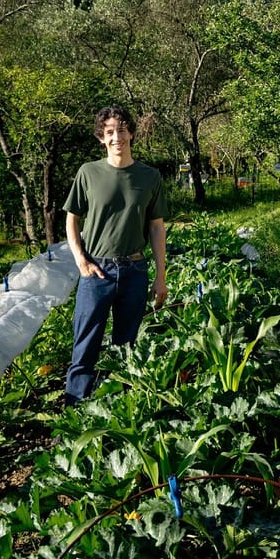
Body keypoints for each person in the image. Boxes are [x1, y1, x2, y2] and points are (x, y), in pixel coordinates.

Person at [63, 105, 168, 406]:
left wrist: (160, 276)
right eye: (109, 132)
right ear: (101, 138)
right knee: (85, 346)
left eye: (121, 130)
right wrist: (80, 259)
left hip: (134, 270)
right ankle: (76, 413)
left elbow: (157, 228)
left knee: (126, 347)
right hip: (96, 272)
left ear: (131, 133)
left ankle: (119, 410)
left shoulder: (149, 177)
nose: (116, 137)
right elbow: (72, 218)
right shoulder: (89, 173)